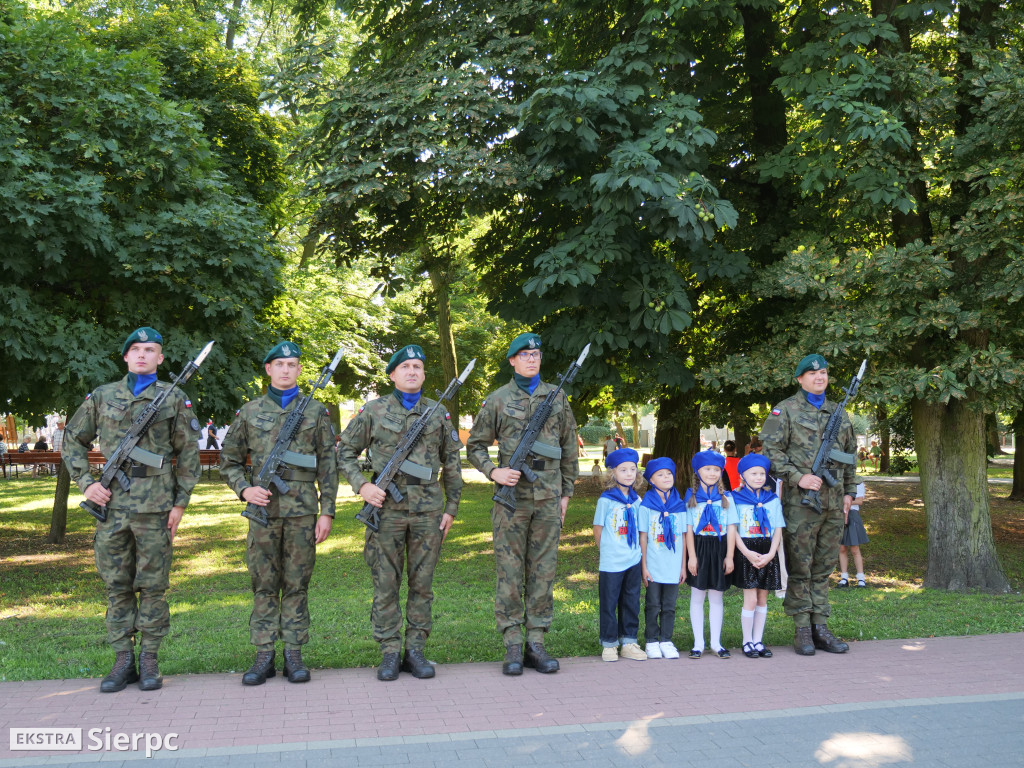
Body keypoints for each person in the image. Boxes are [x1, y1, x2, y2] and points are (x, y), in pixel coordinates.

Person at [62, 326, 202, 692]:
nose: (142, 354)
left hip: (156, 504)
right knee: (117, 586)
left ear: (160, 358)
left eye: (150, 349)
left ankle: (151, 660)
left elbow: (188, 455)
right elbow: (72, 440)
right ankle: (122, 659)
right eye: (136, 349)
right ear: (125, 356)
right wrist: (87, 483)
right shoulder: (103, 396)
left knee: (154, 586)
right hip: (112, 504)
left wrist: (180, 503)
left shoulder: (174, 399)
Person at [337, 344, 463, 682]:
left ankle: (416, 650)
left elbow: (451, 464)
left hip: (427, 512)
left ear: (423, 375)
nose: (412, 371)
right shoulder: (374, 411)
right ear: (392, 374)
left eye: (418, 367)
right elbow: (345, 452)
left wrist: (451, 507)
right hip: (386, 511)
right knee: (386, 584)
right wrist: (362, 486)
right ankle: (390, 651)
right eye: (405, 366)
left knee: (422, 585)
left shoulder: (438, 413)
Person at [220, 341, 338, 685]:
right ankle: (263, 656)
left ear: (300, 370)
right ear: (268, 369)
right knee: (264, 585)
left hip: (303, 513)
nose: (286, 369)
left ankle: (294, 654)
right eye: (279, 364)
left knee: (297, 585)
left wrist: (326, 511)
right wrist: (245, 489)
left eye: (292, 364)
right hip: (264, 513)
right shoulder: (249, 412)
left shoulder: (315, 412)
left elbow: (328, 466)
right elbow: (228, 461)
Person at [467, 332, 579, 676]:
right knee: (510, 572)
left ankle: (536, 642)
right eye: (525, 354)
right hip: (512, 498)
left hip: (547, 495)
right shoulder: (498, 399)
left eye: (536, 354)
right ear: (513, 360)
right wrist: (494, 471)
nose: (532, 359)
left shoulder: (557, 399)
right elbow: (475, 446)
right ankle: (513, 643)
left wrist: (565, 492)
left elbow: (569, 447)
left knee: (544, 570)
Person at [759, 353, 858, 655]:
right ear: (800, 378)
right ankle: (802, 627)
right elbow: (770, 452)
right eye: (813, 374)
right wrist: (798, 477)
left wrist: (849, 493)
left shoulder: (839, 413)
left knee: (823, 567)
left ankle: (820, 627)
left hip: (833, 504)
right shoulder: (783, 411)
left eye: (825, 373)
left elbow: (850, 456)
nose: (820, 377)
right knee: (801, 566)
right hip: (801, 503)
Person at [730, 453, 785, 658]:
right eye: (753, 473)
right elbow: (732, 529)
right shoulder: (734, 498)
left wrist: (771, 553)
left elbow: (778, 528)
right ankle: (746, 641)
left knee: (763, 598)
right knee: (750, 599)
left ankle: (758, 640)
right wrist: (746, 553)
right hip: (746, 550)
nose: (759, 477)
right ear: (743, 476)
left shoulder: (772, 500)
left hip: (767, 549)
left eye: (762, 473)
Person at [593, 448, 645, 662]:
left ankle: (629, 641)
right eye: (623, 470)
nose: (629, 473)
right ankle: (609, 643)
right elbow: (598, 528)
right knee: (609, 601)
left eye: (633, 469)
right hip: (612, 560)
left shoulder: (637, 501)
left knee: (631, 600)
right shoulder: (606, 500)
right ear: (613, 473)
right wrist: (605, 550)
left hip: (633, 558)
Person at [684, 450, 737, 659]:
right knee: (697, 596)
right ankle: (699, 643)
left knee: (717, 597)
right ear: (698, 472)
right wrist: (692, 556)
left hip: (720, 548)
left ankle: (716, 642)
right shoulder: (690, 497)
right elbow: (688, 529)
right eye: (707, 469)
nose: (712, 473)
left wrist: (730, 556)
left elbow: (731, 528)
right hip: (698, 548)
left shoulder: (727, 498)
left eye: (716, 469)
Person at [638, 457, 686, 659]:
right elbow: (643, 537)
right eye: (660, 474)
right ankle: (651, 640)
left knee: (669, 605)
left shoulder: (680, 505)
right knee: (653, 604)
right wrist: (644, 566)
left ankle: (666, 640)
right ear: (651, 480)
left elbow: (683, 537)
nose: (666, 477)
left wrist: (683, 566)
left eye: (669, 474)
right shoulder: (646, 506)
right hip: (653, 564)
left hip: (673, 565)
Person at [837, 482, 869, 588]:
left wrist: (843, 501)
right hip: (840, 515)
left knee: (855, 548)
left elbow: (859, 501)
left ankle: (861, 578)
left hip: (852, 515)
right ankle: (844, 578)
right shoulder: (838, 480)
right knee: (842, 548)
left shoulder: (858, 482)